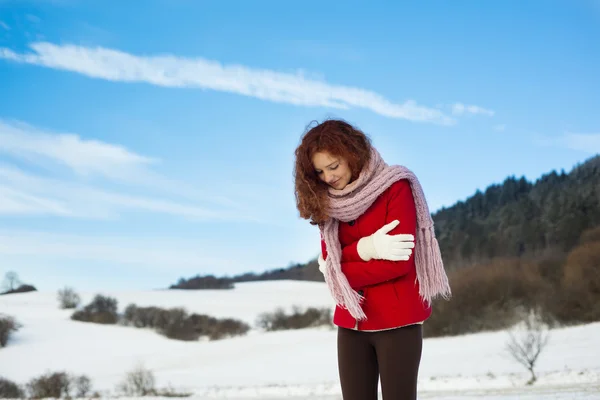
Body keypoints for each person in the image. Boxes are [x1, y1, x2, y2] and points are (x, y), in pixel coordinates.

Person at [293, 119, 451, 400]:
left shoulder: (395, 186)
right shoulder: (326, 203)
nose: (328, 177)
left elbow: (398, 263)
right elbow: (332, 266)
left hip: (397, 322)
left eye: (334, 166)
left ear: (352, 154)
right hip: (351, 323)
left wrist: (341, 266)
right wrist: (366, 249)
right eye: (319, 171)